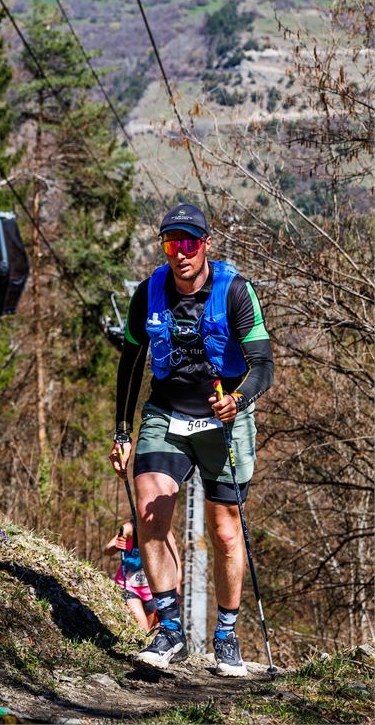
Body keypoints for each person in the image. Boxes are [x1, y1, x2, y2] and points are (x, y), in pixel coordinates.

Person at [109, 203, 274, 677]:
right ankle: (170, 629)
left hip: (225, 415)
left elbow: (263, 364)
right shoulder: (149, 293)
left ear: (205, 245)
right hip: (168, 411)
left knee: (224, 533)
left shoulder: (236, 291)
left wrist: (239, 400)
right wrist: (123, 431)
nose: (181, 254)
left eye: (190, 243)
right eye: (172, 244)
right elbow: (131, 362)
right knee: (149, 511)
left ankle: (226, 635)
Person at [104, 520, 158, 631]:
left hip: (152, 589)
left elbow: (173, 560)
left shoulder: (161, 528)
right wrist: (117, 545)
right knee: (143, 628)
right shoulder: (130, 527)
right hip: (129, 586)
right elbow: (107, 550)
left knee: (151, 632)